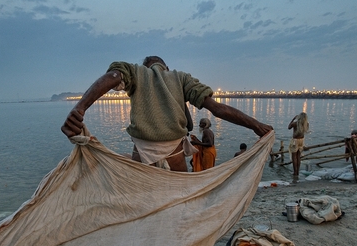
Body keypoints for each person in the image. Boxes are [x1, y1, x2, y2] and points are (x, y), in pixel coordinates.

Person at [61, 56, 273, 171]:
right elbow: (217, 108)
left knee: (145, 206)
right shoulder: (180, 78)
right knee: (178, 201)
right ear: (166, 67)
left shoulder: (136, 72)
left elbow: (114, 76)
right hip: (174, 154)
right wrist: (256, 125)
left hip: (141, 154)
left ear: (146, 66)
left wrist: (80, 108)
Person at [288, 112, 309, 177]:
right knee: (298, 157)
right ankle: (298, 172)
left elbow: (289, 127)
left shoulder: (295, 123)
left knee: (294, 157)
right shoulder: (306, 124)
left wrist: (293, 119)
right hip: (301, 140)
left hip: (295, 141)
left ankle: (295, 172)